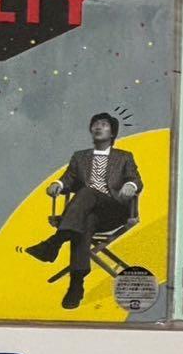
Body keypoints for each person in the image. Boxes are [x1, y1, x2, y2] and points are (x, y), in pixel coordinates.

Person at [23, 112, 141, 309]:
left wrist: (131, 185)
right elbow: (68, 179)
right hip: (84, 214)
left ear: (112, 133)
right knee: (85, 222)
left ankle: (55, 242)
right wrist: (58, 184)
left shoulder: (124, 157)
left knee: (86, 192)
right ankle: (76, 285)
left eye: (104, 124)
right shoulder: (80, 157)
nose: (98, 127)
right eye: (95, 124)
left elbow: (136, 179)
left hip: (113, 210)